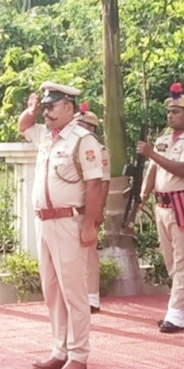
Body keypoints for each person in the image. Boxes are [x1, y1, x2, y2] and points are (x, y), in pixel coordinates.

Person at [19, 82, 106, 369]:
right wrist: (31, 110)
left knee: (73, 290)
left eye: (51, 107)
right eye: (44, 107)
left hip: (69, 221)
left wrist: (89, 225)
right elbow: (23, 126)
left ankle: (78, 353)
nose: (46, 112)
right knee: (52, 290)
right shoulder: (46, 136)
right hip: (44, 222)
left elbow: (94, 185)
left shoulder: (83, 140)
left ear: (69, 107)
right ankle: (60, 349)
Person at [136, 82, 184, 333]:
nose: (170, 116)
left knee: (183, 261)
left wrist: (152, 154)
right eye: (169, 112)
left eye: (176, 112)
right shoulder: (163, 140)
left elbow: (182, 169)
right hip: (163, 204)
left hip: (183, 203)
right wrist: (143, 194)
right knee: (172, 261)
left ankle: (175, 313)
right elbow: (153, 170)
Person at [74, 102, 109, 314]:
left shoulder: (99, 150)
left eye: (81, 124)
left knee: (89, 254)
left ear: (91, 129)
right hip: (74, 207)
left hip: (90, 206)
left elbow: (102, 183)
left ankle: (92, 297)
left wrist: (97, 211)